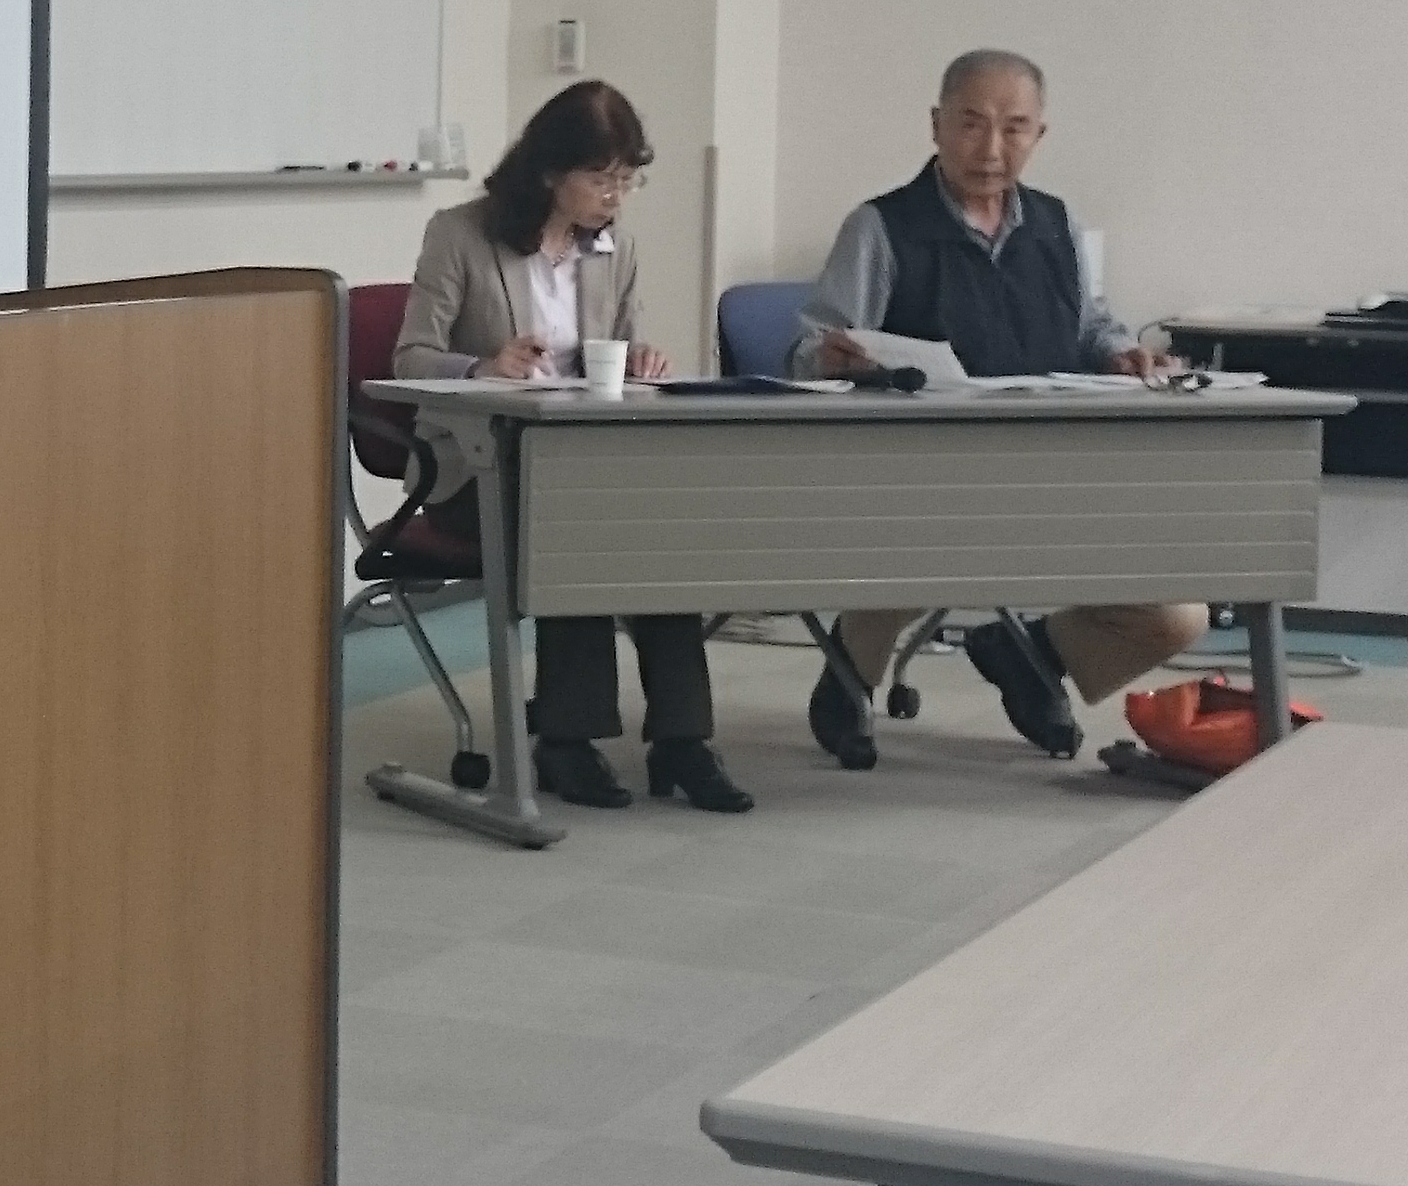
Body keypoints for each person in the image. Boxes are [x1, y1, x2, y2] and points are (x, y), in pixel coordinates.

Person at [788, 47, 1202, 764]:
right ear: (936, 125)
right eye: (972, 123)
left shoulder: (1057, 225)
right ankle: (851, 672)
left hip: (1053, 474)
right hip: (917, 481)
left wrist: (1120, 354)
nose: (991, 149)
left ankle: (1030, 653)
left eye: (1015, 128)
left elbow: (1093, 326)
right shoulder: (880, 227)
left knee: (1178, 615)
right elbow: (806, 349)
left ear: (1040, 135)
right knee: (916, 547)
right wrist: (832, 359)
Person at [392, 81, 752, 815]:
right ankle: (567, 739)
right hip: (476, 470)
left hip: (583, 462)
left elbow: (615, 351)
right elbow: (410, 358)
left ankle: (682, 741)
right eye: (602, 178)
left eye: (628, 179)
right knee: (578, 525)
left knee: (662, 532)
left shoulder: (615, 249)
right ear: (550, 172)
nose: (616, 196)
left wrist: (640, 359)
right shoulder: (460, 235)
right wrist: (482, 366)